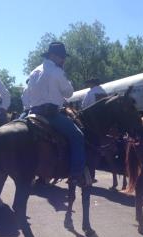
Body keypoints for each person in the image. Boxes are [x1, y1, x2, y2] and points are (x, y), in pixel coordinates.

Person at [26, 41, 85, 183]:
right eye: (61, 56)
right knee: (78, 136)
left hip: (32, 113)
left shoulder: (34, 72)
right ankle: (76, 173)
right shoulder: (57, 71)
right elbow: (69, 92)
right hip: (50, 114)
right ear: (53, 56)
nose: (63, 59)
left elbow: (28, 93)